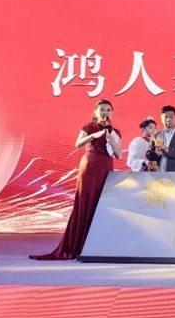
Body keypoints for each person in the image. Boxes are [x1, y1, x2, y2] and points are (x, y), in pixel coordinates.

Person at [30, 99, 122, 260]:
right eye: (102, 109)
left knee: (102, 204)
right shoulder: (88, 127)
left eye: (108, 110)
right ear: (95, 112)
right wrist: (94, 136)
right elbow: (78, 144)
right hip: (90, 166)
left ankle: (97, 244)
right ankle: (77, 244)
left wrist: (113, 142)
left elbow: (119, 155)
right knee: (86, 202)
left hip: (106, 167)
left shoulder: (115, 132)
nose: (105, 112)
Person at [145, 105, 175, 172]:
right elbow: (148, 154)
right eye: (166, 117)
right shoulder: (156, 135)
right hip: (157, 173)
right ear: (161, 118)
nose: (168, 120)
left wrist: (168, 151)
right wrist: (156, 153)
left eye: (171, 117)